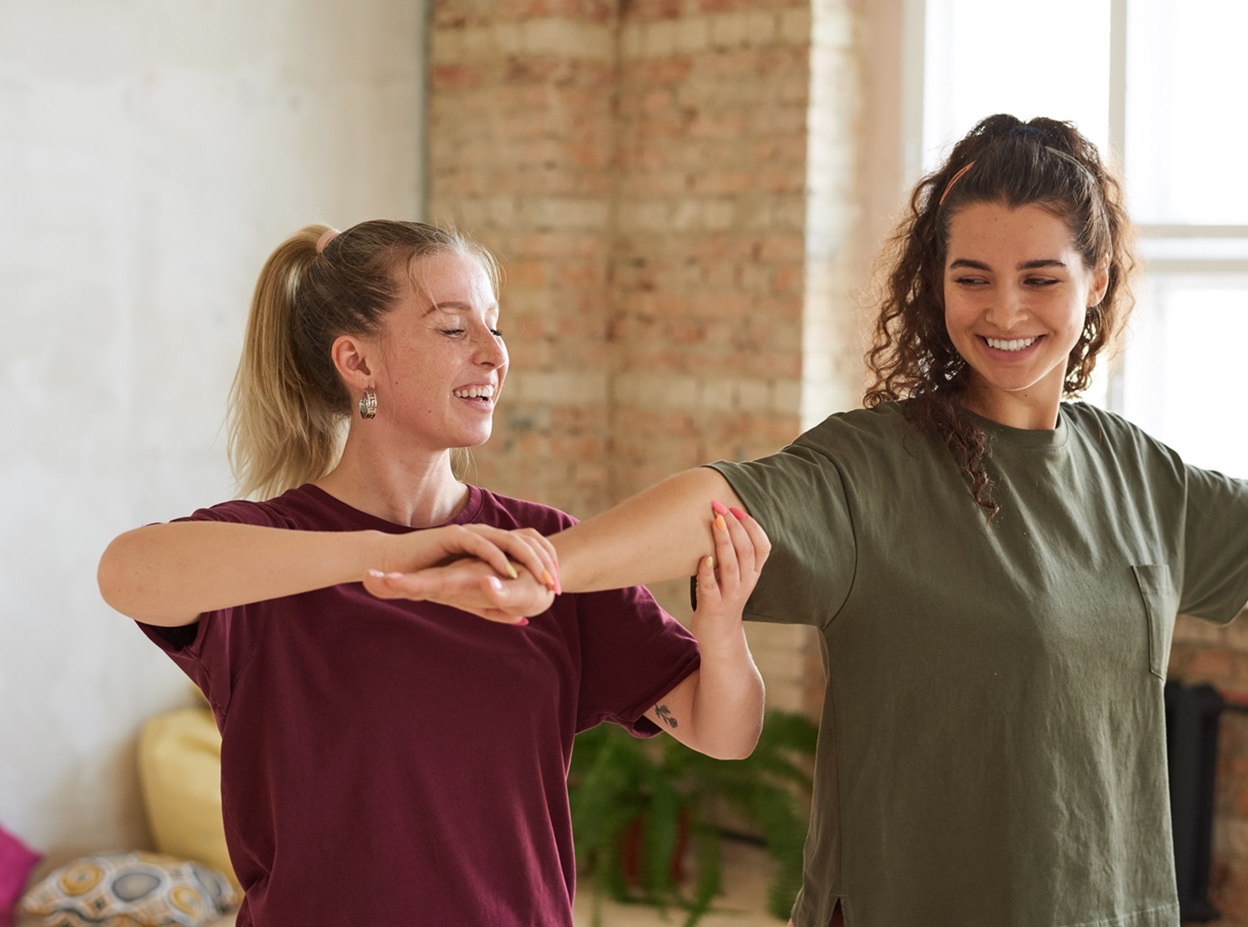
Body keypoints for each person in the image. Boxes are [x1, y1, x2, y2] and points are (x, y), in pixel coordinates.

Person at [368, 116, 1248, 927]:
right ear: (932, 281)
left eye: (1040, 277)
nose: (1004, 311)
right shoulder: (878, 465)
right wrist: (548, 565)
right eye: (970, 277)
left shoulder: (1134, 473)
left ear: (1097, 282)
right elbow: (719, 500)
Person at [96, 219, 770, 927]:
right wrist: (386, 552)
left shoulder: (543, 549)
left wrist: (721, 630)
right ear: (358, 362)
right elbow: (126, 572)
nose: (493, 354)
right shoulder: (269, 556)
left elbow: (724, 731)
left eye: (496, 327)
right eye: (454, 330)